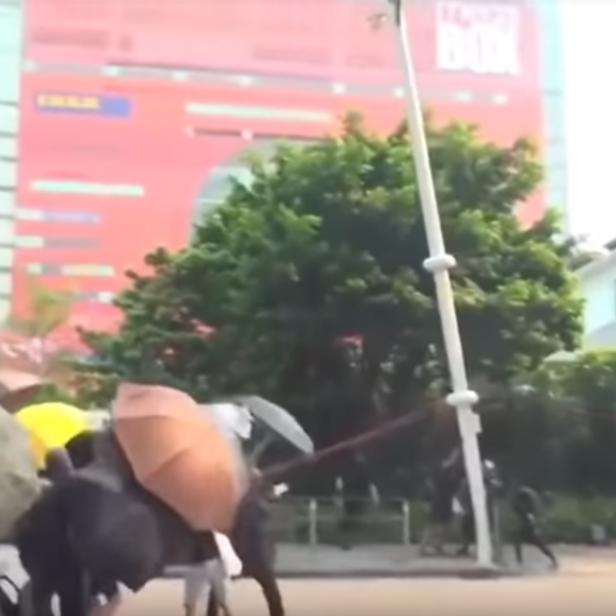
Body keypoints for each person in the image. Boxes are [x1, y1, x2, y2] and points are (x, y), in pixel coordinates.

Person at [511, 485, 558, 569]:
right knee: (520, 542)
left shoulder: (523, 502)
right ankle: (519, 562)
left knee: (539, 544)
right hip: (527, 526)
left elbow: (526, 515)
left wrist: (532, 522)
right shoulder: (522, 502)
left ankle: (553, 560)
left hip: (528, 526)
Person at [419, 461, 457, 556]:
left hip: (443, 503)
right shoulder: (441, 476)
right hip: (440, 504)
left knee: (444, 526)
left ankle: (437, 545)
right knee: (434, 526)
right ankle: (426, 547)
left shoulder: (446, 477)